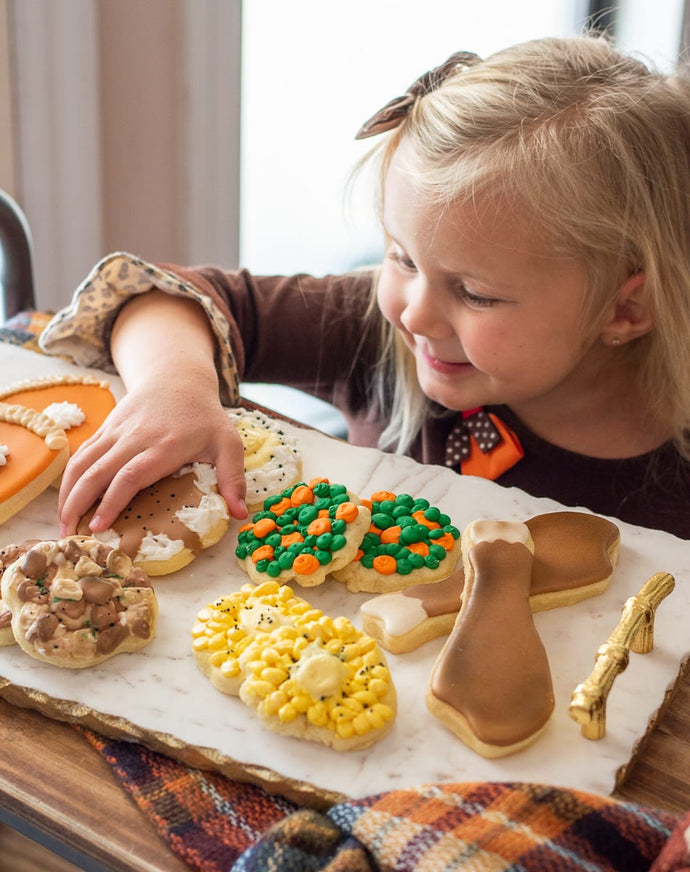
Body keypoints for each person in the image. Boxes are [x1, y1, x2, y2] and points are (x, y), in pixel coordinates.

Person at [42, 34, 690, 540]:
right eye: (402, 257)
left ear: (626, 308)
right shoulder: (381, 330)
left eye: (476, 293)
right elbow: (157, 296)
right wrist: (174, 389)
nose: (416, 313)